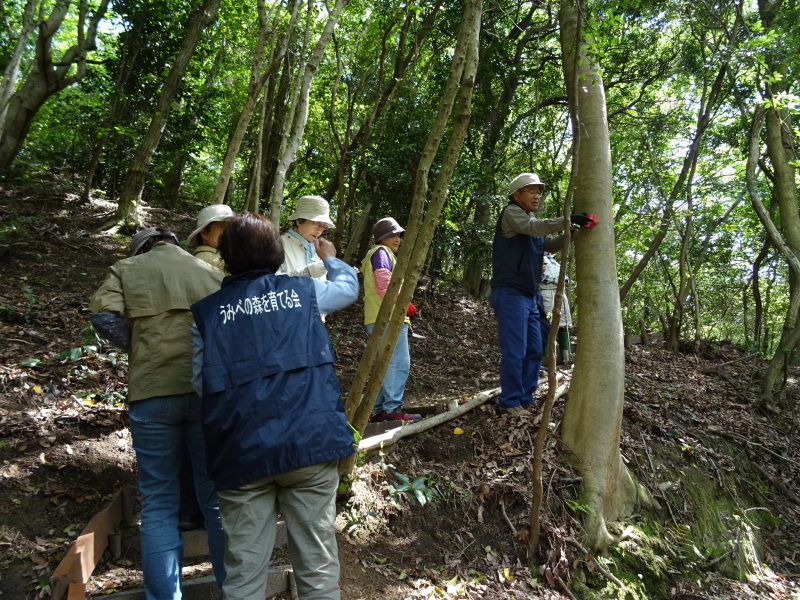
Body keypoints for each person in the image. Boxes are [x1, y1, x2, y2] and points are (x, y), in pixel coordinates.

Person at [190, 212, 358, 600]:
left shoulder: (205, 315)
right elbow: (348, 289)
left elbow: (201, 384)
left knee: (244, 575)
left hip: (240, 452)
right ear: (276, 254)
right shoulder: (303, 292)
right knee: (317, 567)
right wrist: (330, 258)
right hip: (309, 441)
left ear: (226, 256)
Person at [89, 228, 226, 599]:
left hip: (151, 392)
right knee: (214, 497)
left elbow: (101, 316)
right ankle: (237, 590)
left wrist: (139, 343)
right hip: (203, 392)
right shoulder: (208, 270)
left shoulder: (127, 269)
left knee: (159, 502)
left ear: (141, 248)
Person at [490, 173, 595, 414]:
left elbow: (549, 245)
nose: (537, 196)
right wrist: (566, 219)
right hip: (510, 292)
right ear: (517, 195)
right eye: (531, 191)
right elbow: (533, 228)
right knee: (515, 351)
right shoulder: (512, 213)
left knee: (535, 349)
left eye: (539, 192)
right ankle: (510, 402)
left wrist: (573, 233)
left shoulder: (532, 219)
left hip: (531, 294)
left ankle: (526, 397)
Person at [361, 217, 421, 423]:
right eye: (392, 235)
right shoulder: (381, 253)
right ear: (382, 237)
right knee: (397, 362)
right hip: (386, 317)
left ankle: (379, 408)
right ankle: (391, 409)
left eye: (398, 235)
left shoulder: (380, 254)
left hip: (380, 316)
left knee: (384, 364)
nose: (397, 239)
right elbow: (384, 282)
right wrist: (403, 303)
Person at [280, 195, 336, 280]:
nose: (319, 231)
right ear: (299, 221)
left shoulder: (317, 250)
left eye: (324, 227)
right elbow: (272, 284)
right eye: (317, 223)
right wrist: (309, 272)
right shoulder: (278, 246)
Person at [186, 204, 235, 271]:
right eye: (224, 227)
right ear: (204, 233)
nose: (229, 231)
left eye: (231, 227)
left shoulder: (202, 257)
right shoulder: (214, 261)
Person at [540, 252, 572, 327]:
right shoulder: (538, 258)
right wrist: (555, 280)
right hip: (547, 292)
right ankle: (548, 338)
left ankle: (563, 338)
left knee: (565, 323)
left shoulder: (555, 262)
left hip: (560, 292)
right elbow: (538, 276)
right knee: (549, 320)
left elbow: (564, 276)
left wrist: (564, 280)